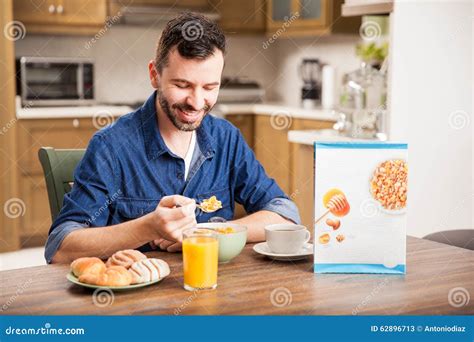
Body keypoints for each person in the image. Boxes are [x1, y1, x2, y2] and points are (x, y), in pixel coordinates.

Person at [45, 12, 300, 264]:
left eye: (210, 87)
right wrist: (147, 228)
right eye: (182, 85)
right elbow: (60, 247)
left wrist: (203, 234)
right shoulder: (111, 147)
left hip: (214, 295)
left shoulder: (227, 139)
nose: (197, 102)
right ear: (154, 75)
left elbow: (285, 214)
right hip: (135, 301)